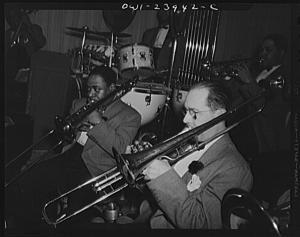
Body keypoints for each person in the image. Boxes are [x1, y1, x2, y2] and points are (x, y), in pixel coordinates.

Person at [9, 66, 141, 228]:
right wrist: (72, 132)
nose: (90, 94)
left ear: (112, 89)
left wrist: (97, 123)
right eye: (88, 89)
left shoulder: (130, 116)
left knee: (75, 211)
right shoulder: (78, 104)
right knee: (27, 180)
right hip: (69, 156)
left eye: (97, 89)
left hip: (95, 168)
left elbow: (120, 149)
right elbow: (65, 139)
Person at [136, 81, 253, 229]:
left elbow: (201, 223)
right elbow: (156, 193)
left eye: (194, 113)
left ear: (219, 115)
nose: (185, 120)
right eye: (186, 111)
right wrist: (141, 170)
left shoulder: (235, 169)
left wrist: (164, 175)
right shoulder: (189, 140)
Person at [5, 7, 46, 114]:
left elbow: (41, 42)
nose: (13, 20)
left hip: (28, 77)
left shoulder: (33, 29)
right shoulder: (7, 34)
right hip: (10, 78)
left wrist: (28, 24)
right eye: (10, 17)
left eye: (15, 16)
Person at [141, 10, 172, 75]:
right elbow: (142, 55)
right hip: (148, 73)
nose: (163, 12)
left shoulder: (176, 37)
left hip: (166, 75)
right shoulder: (148, 33)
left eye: (166, 10)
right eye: (161, 10)